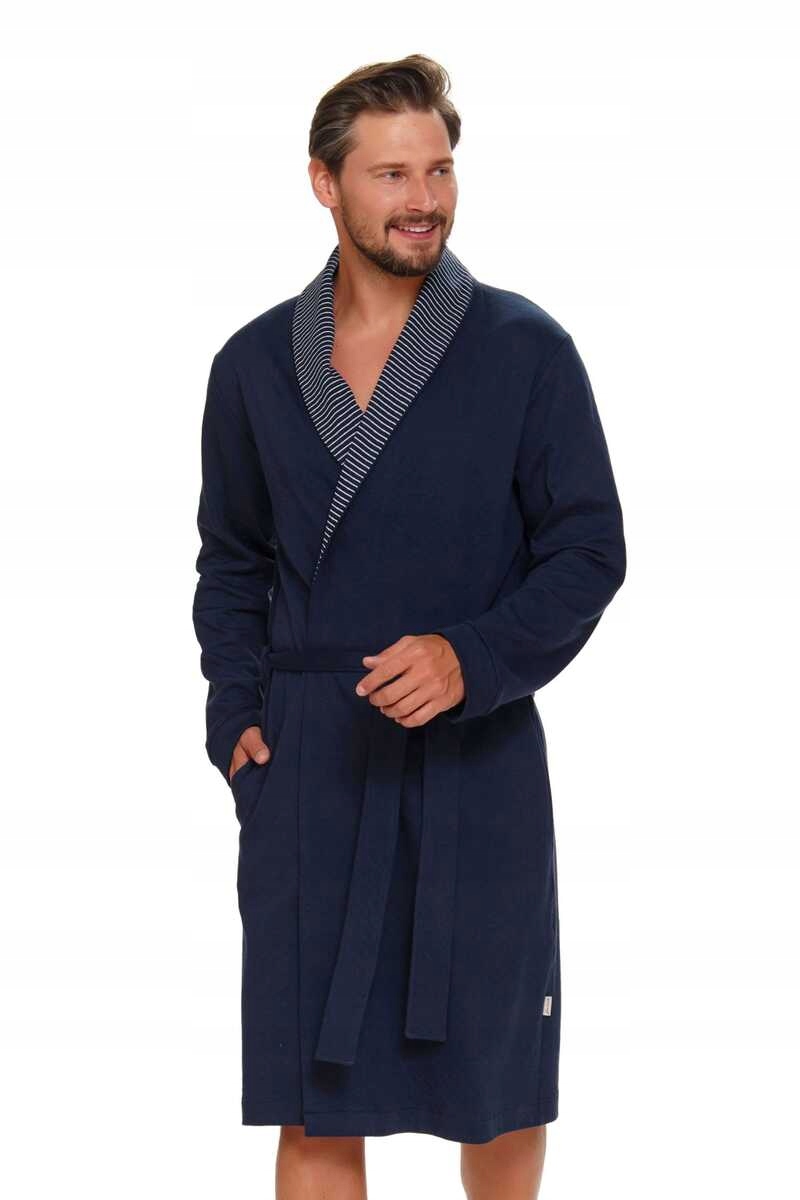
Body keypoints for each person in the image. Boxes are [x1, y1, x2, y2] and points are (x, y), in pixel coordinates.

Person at [192, 52, 626, 1200]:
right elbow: (231, 562)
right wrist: (234, 716)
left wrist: (468, 657)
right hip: (309, 768)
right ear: (324, 183)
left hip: (472, 763)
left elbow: (587, 549)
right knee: (312, 1093)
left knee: (496, 1078)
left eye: (437, 170)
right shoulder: (252, 365)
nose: (422, 198)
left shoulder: (522, 350)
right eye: (390, 174)